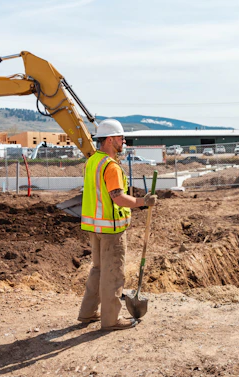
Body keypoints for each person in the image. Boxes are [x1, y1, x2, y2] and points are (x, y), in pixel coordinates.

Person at [78, 119, 157, 331]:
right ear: (111, 140)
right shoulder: (110, 166)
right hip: (111, 229)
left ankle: (87, 313)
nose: (124, 141)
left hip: (95, 226)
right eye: (122, 138)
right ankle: (111, 320)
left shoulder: (92, 161)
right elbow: (118, 198)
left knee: (97, 269)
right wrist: (143, 202)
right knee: (113, 273)